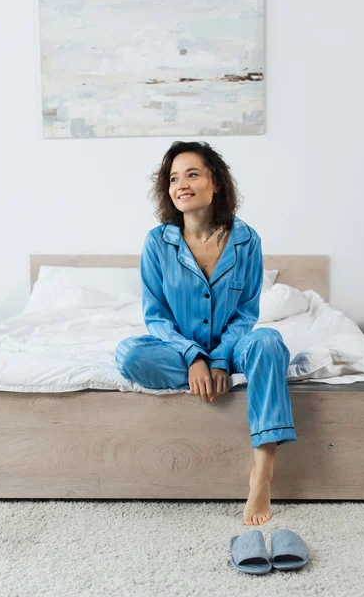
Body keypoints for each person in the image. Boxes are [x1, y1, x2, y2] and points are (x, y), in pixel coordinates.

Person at [115, 140, 297, 526]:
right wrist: (194, 357)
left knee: (269, 343)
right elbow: (157, 317)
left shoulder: (247, 240)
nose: (181, 184)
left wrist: (218, 357)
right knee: (129, 354)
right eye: (173, 178)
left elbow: (247, 313)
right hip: (181, 351)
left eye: (192, 174)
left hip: (236, 347)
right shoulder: (156, 243)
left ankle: (261, 475)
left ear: (215, 182)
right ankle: (210, 375)